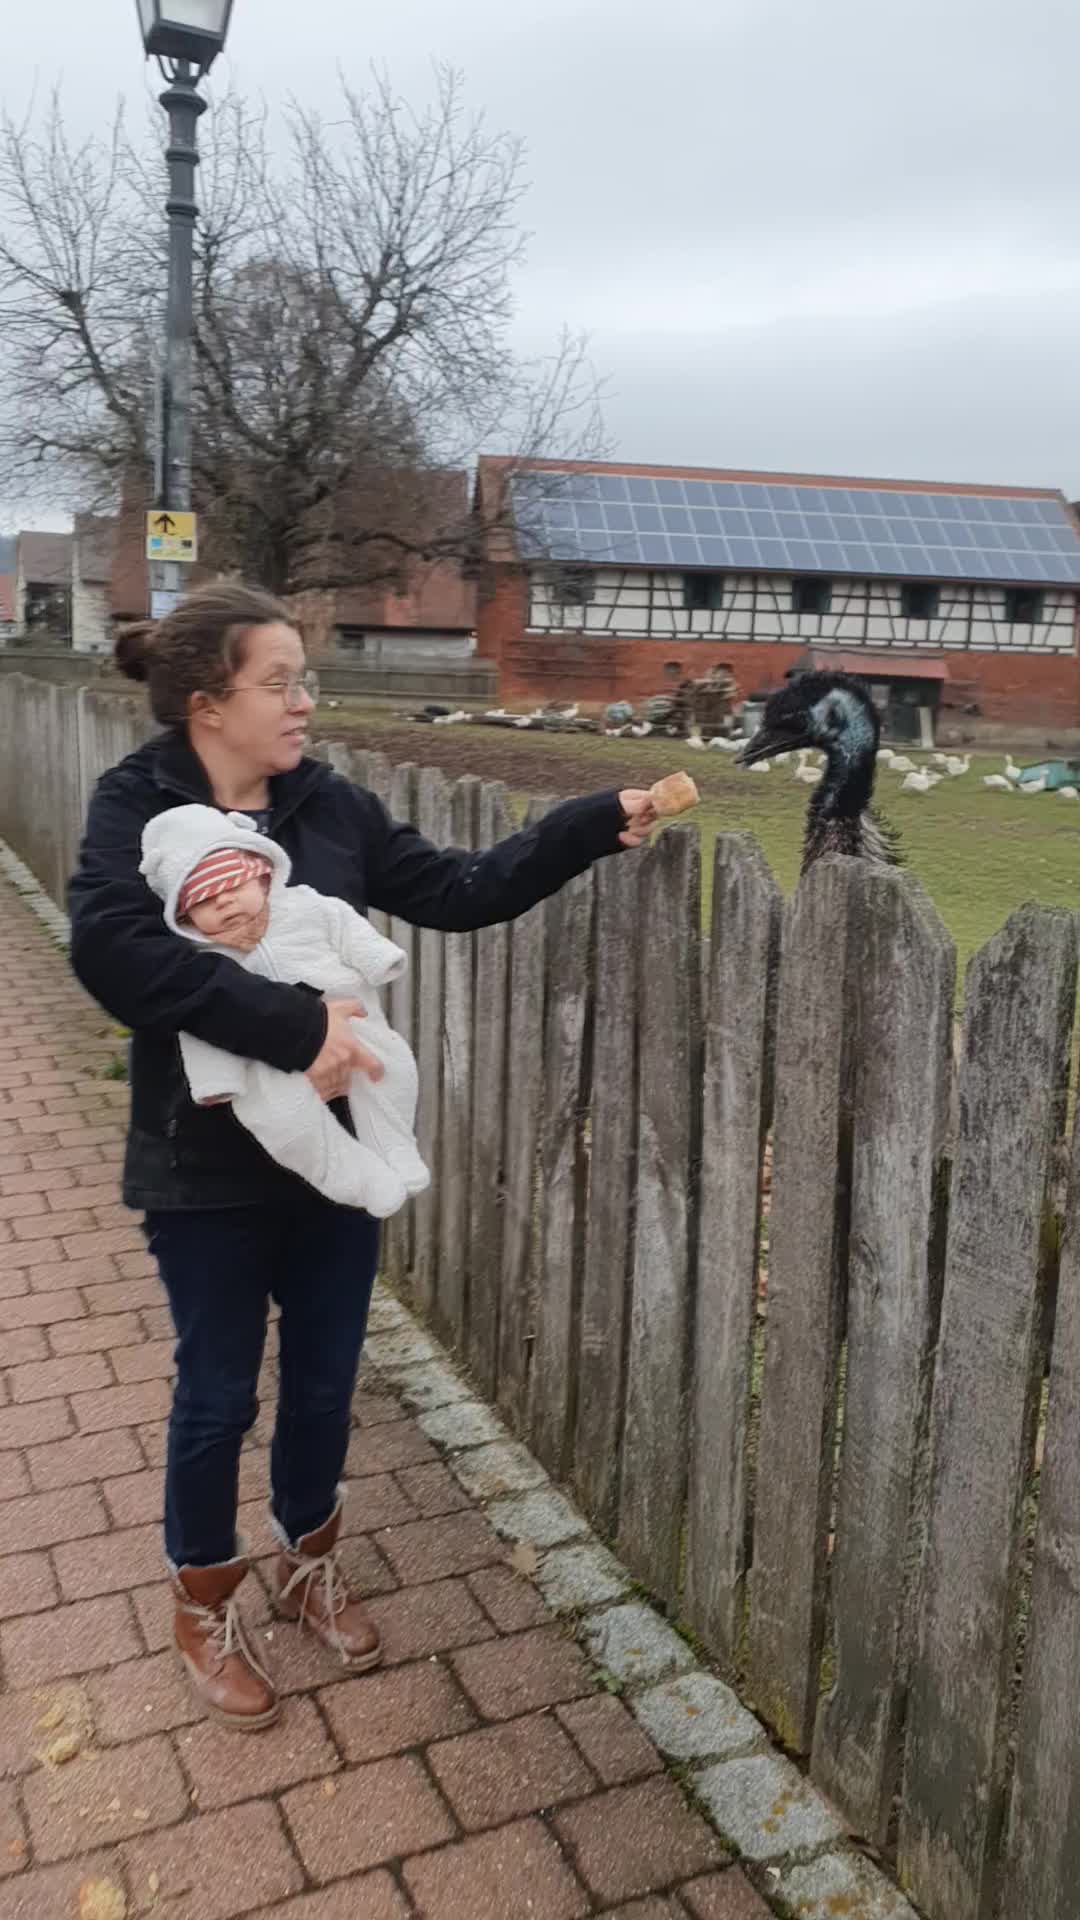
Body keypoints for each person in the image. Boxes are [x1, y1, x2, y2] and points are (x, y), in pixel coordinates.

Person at [68, 582, 659, 1732]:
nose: (304, 702)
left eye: (305, 681)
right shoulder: (138, 806)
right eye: (280, 683)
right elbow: (116, 953)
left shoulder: (328, 806)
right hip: (202, 1163)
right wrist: (301, 1031)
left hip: (332, 1155)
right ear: (208, 704)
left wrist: (587, 824)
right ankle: (203, 1602)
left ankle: (306, 1559)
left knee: (326, 1380)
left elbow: (456, 889)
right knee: (218, 1395)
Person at [140, 802, 429, 1218]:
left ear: (262, 875)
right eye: (205, 900)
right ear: (185, 917)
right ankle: (355, 1177)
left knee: (393, 1068)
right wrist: (215, 1081)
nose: (224, 902)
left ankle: (395, 1147)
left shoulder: (309, 906)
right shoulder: (204, 965)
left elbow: (344, 924)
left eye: (232, 885)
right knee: (286, 1126)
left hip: (356, 1027)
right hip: (267, 1072)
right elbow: (201, 1025)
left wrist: (379, 957)